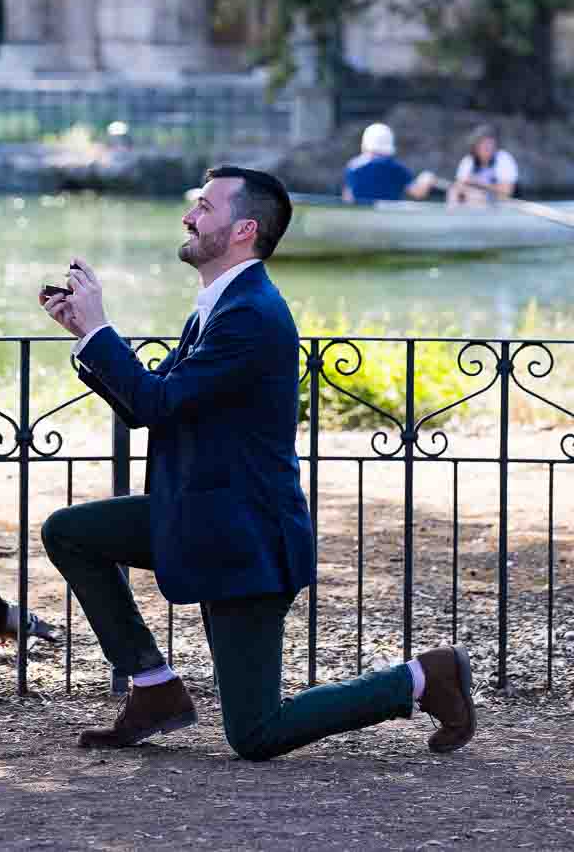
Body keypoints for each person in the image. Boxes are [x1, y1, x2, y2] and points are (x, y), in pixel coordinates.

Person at [39, 167, 476, 762]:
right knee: (71, 532)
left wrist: (101, 330)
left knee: (256, 733)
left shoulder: (250, 315)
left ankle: (423, 677)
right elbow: (153, 403)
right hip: (201, 515)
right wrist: (87, 337)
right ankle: (151, 685)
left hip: (246, 538)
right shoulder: (219, 307)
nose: (190, 217)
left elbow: (156, 402)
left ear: (244, 229)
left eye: (204, 207)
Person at [343, 122, 437, 203]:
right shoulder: (395, 168)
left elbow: (348, 197)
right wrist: (426, 179)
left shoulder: (353, 167)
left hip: (361, 217)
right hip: (388, 218)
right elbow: (418, 193)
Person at [448, 124, 518, 206]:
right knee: (454, 191)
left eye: (489, 144)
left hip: (499, 203)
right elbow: (459, 185)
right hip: (472, 201)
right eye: (482, 144)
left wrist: (479, 183)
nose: (487, 148)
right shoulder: (469, 161)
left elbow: (506, 191)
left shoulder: (504, 159)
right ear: (475, 146)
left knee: (477, 195)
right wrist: (463, 186)